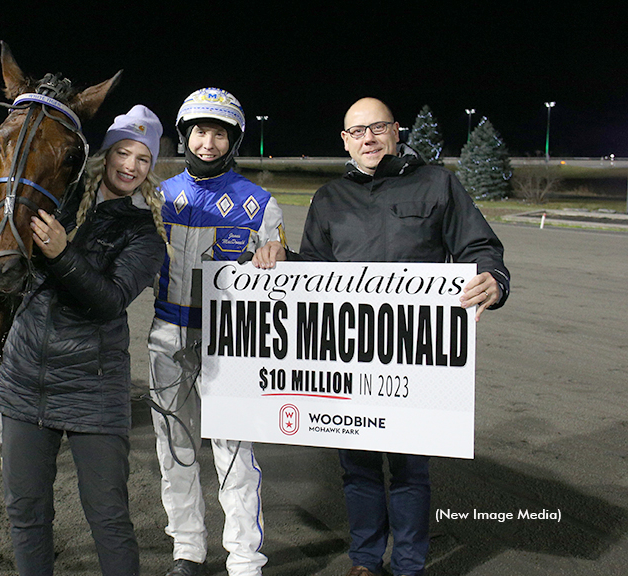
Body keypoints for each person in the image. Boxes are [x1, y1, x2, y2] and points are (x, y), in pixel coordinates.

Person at [259, 97, 510, 576]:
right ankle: (366, 561)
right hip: (350, 358)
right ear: (344, 141)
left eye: (376, 128)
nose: (368, 139)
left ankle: (409, 565)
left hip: (413, 359)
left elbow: (479, 246)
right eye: (357, 132)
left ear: (396, 131)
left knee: (410, 470)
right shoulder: (329, 198)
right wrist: (283, 260)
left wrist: (494, 279)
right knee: (357, 468)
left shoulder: (437, 182)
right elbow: (313, 273)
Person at [0, 104, 168, 576]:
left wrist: (62, 252)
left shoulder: (145, 233)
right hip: (25, 382)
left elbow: (108, 302)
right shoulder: (58, 201)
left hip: (95, 389)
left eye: (143, 159)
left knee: (109, 519)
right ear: (106, 153)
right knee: (25, 514)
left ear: (151, 168)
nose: (130, 166)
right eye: (123, 152)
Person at [150, 87, 291, 576]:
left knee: (234, 454)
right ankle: (187, 550)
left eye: (218, 133)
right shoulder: (157, 197)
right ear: (185, 135)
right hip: (167, 337)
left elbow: (284, 278)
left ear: (233, 140)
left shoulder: (260, 204)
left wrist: (279, 260)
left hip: (231, 348)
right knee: (176, 450)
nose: (207, 142)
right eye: (199, 131)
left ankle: (245, 559)